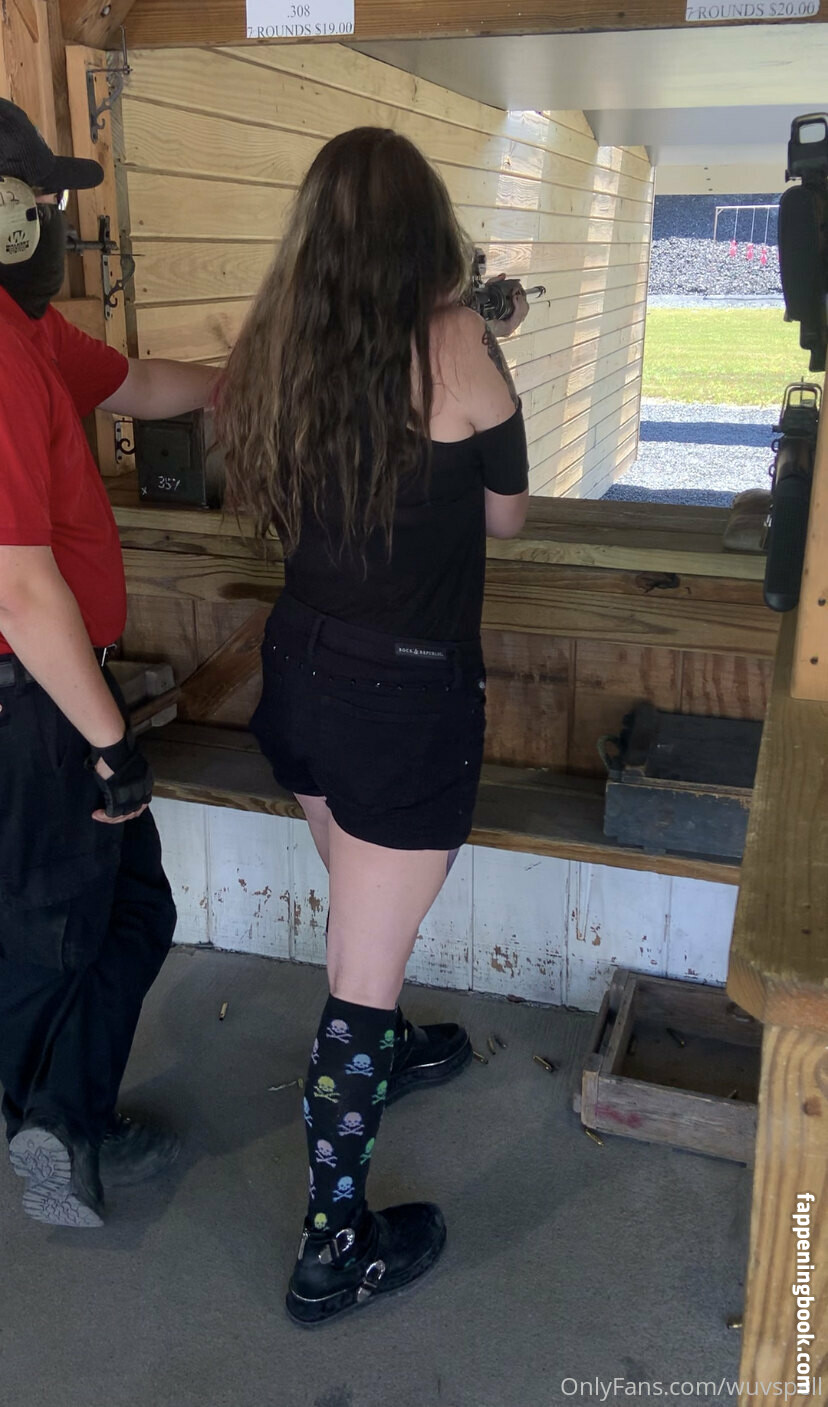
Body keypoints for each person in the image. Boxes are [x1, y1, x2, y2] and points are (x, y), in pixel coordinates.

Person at [216, 126, 530, 1325]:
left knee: (360, 905)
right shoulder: (455, 339)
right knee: (360, 972)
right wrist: (487, 340)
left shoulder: (276, 338)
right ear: (426, 230)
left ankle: (387, 1049)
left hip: (301, 675)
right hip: (404, 702)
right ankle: (332, 1252)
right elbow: (505, 516)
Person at [0, 99, 219, 1227]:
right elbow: (17, 586)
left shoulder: (30, 331)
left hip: (47, 692)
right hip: (34, 702)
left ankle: (58, 1115)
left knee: (125, 911)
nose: (58, 221)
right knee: (56, 933)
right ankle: (50, 1125)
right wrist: (108, 742)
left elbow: (139, 383)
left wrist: (245, 379)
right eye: (41, 201)